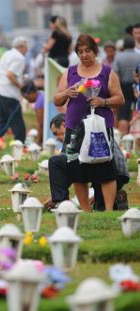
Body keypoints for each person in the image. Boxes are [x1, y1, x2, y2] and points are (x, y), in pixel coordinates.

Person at [54, 34, 125, 212]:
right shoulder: (70, 72)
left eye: (87, 51)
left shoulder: (107, 72)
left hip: (100, 127)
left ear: (95, 51)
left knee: (105, 168)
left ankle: (108, 210)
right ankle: (86, 211)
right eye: (80, 52)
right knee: (77, 170)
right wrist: (66, 94)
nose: (84, 55)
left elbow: (120, 98)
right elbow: (57, 99)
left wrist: (104, 102)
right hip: (74, 128)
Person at [46, 113, 129, 211]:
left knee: (55, 162)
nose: (57, 138)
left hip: (106, 169)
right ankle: (117, 199)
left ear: (64, 125)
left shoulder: (72, 130)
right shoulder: (92, 125)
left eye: (56, 133)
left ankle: (62, 204)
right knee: (100, 209)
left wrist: (57, 195)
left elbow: (67, 165)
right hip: (117, 173)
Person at [0, 37, 29, 143]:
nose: (27, 50)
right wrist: (21, 87)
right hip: (8, 94)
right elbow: (10, 75)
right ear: (20, 46)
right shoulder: (19, 57)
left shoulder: (7, 54)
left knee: (4, 121)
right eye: (26, 47)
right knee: (18, 125)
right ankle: (20, 146)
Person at [112, 37, 140, 135]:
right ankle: (136, 135)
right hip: (137, 85)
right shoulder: (139, 55)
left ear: (124, 45)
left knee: (123, 111)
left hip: (123, 86)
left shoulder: (119, 57)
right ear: (133, 44)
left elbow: (115, 73)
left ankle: (123, 137)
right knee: (138, 110)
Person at [22, 81, 44, 145]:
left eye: (26, 97)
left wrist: (37, 142)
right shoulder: (42, 95)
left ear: (31, 93)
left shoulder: (39, 102)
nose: (27, 100)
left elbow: (41, 124)